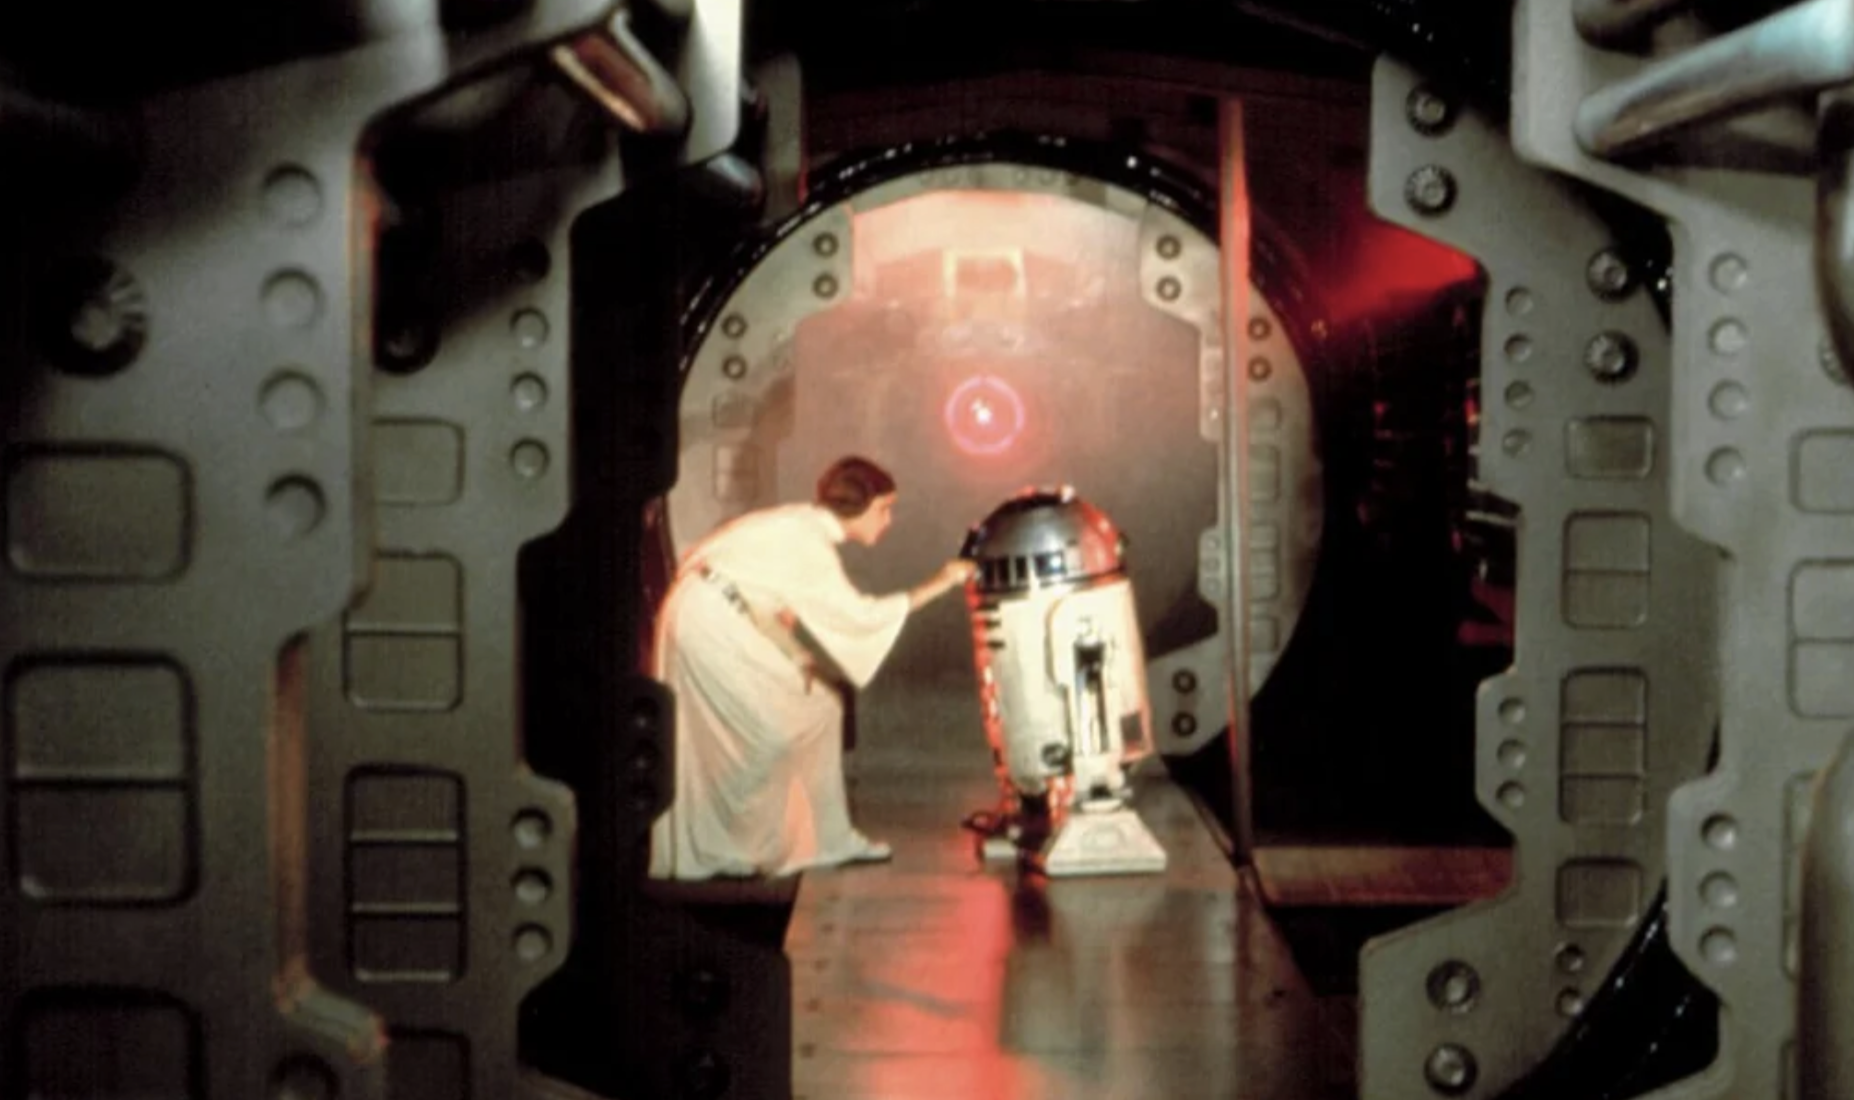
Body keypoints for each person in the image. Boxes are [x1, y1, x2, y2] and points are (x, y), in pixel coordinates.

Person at [647, 456, 976, 880]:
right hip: (709, 622)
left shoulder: (802, 526)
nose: (888, 521)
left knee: (821, 708)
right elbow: (862, 617)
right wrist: (943, 581)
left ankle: (825, 840)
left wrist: (796, 656)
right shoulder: (808, 543)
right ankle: (733, 846)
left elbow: (758, 596)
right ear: (858, 505)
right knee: (768, 734)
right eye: (883, 509)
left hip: (719, 614)